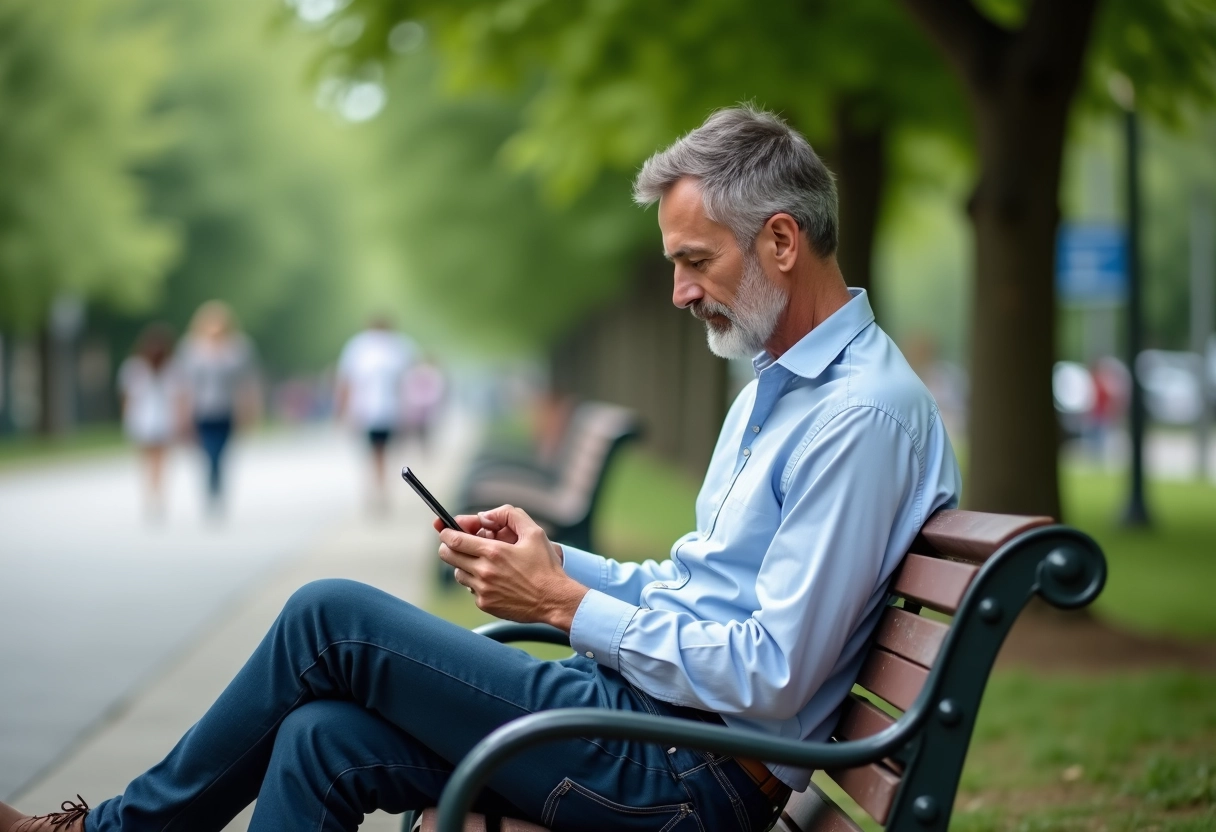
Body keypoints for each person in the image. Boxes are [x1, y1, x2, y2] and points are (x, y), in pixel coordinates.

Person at [0, 106, 960, 832]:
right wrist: (562, 564)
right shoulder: (776, 390)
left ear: (782, 241)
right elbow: (700, 590)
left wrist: (561, 609)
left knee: (327, 616)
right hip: (654, 725)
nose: (677, 291)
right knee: (316, 738)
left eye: (695, 260)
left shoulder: (858, 415)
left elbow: (774, 678)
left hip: (689, 770)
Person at [175, 301, 259, 514]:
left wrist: (250, 409)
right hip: (201, 409)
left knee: (222, 451)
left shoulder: (238, 347)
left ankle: (218, 484)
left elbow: (246, 382)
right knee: (208, 451)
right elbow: (184, 383)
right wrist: (182, 413)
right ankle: (211, 485)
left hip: (228, 407)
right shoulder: (191, 348)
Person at [335, 317, 417, 507]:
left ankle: (379, 488)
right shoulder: (392, 347)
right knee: (377, 452)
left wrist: (342, 410)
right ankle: (379, 489)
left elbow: (347, 381)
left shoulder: (366, 347)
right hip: (373, 411)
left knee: (378, 453)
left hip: (381, 411)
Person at [117, 323, 178, 519]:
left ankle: (159, 497)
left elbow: (179, 397)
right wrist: (127, 420)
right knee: (145, 462)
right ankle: (148, 497)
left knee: (161, 462)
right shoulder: (135, 368)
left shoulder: (172, 369)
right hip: (142, 421)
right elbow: (128, 398)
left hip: (164, 421)